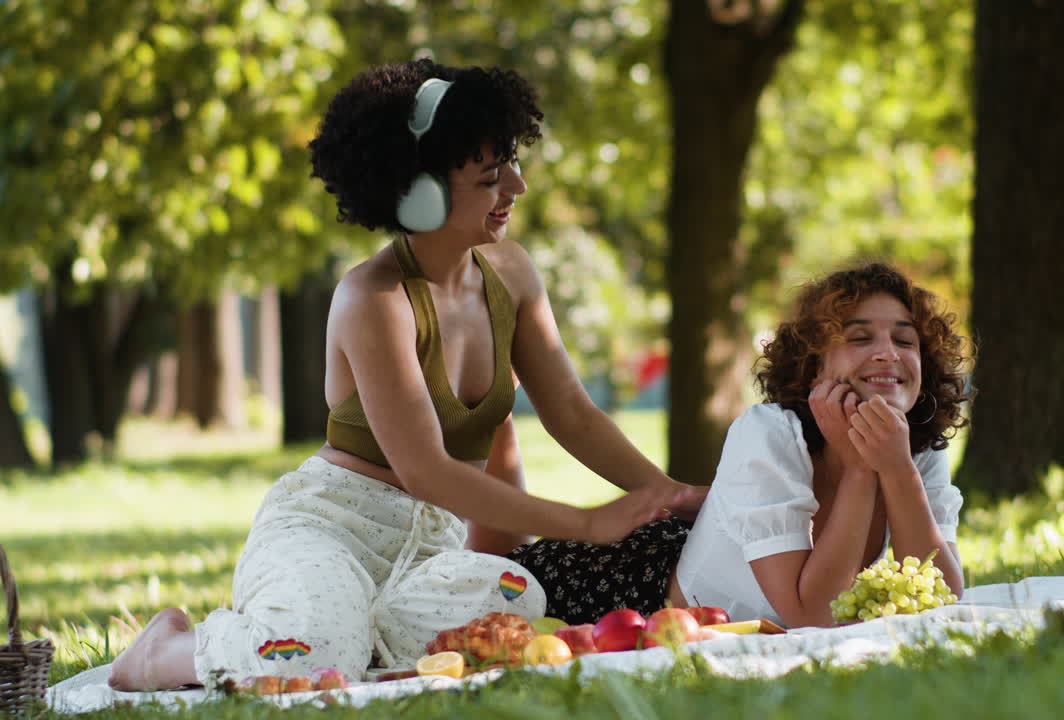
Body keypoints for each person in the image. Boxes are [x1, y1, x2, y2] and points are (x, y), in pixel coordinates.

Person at [107, 59, 703, 691]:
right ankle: (165, 651)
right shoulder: (374, 298)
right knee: (312, 663)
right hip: (333, 527)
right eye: (491, 176)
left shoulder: (514, 274)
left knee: (517, 600)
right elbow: (425, 470)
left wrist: (669, 495)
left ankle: (352, 638)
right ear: (420, 194)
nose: (518, 189)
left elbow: (572, 415)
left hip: (430, 550)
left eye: (513, 165)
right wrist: (588, 522)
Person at [513, 262, 970, 628]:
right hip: (616, 588)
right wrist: (857, 469)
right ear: (814, 369)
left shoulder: (913, 447)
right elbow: (811, 618)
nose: (889, 353)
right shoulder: (769, 433)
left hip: (694, 577)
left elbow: (944, 598)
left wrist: (895, 469)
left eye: (905, 340)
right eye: (859, 338)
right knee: (467, 595)